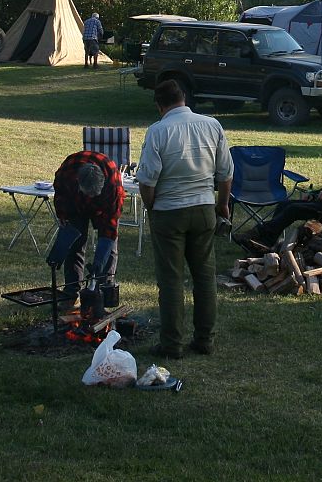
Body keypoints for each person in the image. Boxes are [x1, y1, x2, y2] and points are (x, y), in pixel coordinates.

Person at [135, 79, 232, 359]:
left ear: (159, 105)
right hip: (203, 208)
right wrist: (222, 204)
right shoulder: (212, 125)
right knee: (204, 277)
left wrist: (151, 206)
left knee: (171, 279)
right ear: (184, 98)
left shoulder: (158, 130)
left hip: (169, 211)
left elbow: (148, 179)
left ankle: (172, 344)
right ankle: (205, 339)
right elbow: (226, 172)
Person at [235, 134, 322, 252]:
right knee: (284, 204)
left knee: (294, 209)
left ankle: (258, 233)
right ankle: (267, 242)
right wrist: (313, 194)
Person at [51, 147, 125, 306]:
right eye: (89, 193)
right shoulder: (67, 173)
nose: (92, 197)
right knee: (74, 245)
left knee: (109, 250)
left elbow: (109, 230)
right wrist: (62, 213)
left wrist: (98, 261)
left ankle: (102, 291)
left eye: (95, 194)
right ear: (78, 183)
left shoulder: (113, 186)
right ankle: (71, 293)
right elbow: (60, 192)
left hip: (103, 206)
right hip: (75, 204)